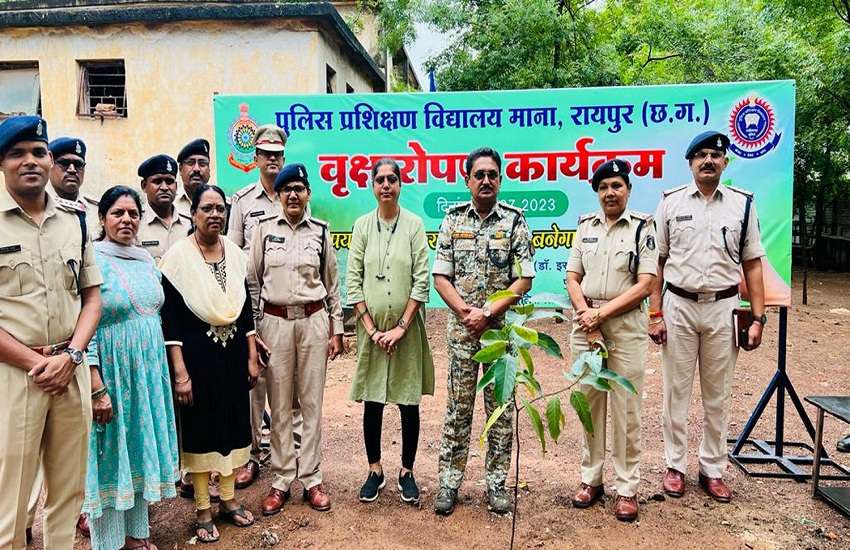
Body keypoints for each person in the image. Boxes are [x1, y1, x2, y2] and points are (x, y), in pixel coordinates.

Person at [0, 115, 103, 549]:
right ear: (2, 163)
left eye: (39, 152)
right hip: (16, 376)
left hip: (70, 371)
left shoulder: (75, 221)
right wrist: (39, 363)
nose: (30, 161)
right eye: (17, 153)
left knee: (67, 493)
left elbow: (91, 297)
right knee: (11, 500)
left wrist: (73, 357)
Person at [649, 130, 766, 503]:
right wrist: (655, 313)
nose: (708, 161)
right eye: (700, 155)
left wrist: (758, 317)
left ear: (725, 162)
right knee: (675, 393)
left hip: (723, 306)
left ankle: (713, 469)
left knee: (718, 394)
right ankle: (675, 466)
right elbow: (657, 263)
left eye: (715, 155)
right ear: (690, 163)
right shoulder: (670, 203)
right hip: (678, 306)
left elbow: (752, 264)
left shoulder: (742, 205)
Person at [432, 147, 535, 516]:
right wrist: (465, 312)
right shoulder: (452, 220)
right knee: (458, 410)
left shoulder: (514, 222)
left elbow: (524, 277)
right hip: (462, 336)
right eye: (479, 175)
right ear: (467, 180)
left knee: (501, 412)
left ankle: (496, 485)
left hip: (500, 338)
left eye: (492, 174)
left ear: (501, 180)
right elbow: (440, 276)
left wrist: (488, 311)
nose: (486, 180)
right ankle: (448, 483)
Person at [160, 184, 261, 543]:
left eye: (221, 208)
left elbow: (245, 310)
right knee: (202, 431)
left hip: (232, 355)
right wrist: (181, 372)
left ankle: (229, 501)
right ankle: (203, 509)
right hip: (197, 359)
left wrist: (251, 355)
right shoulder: (176, 259)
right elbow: (170, 322)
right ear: (193, 213)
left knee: (232, 426)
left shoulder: (235, 254)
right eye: (208, 208)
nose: (215, 214)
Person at [82, 186, 180, 550]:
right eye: (118, 213)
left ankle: (138, 536)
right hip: (111, 373)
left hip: (147, 376)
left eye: (133, 214)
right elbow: (84, 325)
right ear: (103, 219)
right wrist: (95, 382)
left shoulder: (145, 260)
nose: (126, 220)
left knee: (138, 448)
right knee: (109, 455)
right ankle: (107, 542)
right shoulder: (92, 258)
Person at [564, 159, 657, 522]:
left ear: (628, 189)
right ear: (597, 192)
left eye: (617, 185)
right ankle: (592, 479)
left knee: (626, 408)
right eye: (603, 187)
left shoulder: (642, 228)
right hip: (586, 325)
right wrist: (588, 317)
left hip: (624, 328)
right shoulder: (585, 226)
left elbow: (645, 283)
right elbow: (573, 278)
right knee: (589, 404)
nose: (610, 193)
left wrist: (600, 316)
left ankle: (627, 487)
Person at [250, 163, 344, 515]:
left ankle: (312, 478)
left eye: (299, 188)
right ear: (278, 194)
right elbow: (253, 282)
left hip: (313, 322)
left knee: (311, 403)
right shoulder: (263, 230)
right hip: (274, 325)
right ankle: (281, 480)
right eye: (286, 188)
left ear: (308, 195)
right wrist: (256, 329)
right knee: (280, 403)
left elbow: (332, 284)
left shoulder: (320, 231)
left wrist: (337, 328)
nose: (292, 194)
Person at [346, 158, 434, 505]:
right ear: (372, 186)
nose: (386, 185)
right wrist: (370, 328)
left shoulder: (413, 225)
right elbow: (353, 281)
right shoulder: (362, 226)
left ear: (400, 185)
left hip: (406, 332)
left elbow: (421, 280)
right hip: (371, 331)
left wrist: (399, 328)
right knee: (373, 400)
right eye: (380, 180)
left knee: (408, 401)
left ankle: (407, 472)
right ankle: (375, 469)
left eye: (392, 180)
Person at [227, 125, 303, 489]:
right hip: (251, 307)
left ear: (283, 158)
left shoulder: (295, 195)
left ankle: (294, 456)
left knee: (292, 389)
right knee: (254, 385)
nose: (271, 159)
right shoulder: (242, 202)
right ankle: (252, 457)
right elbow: (231, 256)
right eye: (265, 153)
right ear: (255, 158)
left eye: (277, 154)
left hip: (285, 306)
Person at [136, 154, 192, 263]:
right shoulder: (135, 222)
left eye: (169, 181)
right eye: (157, 181)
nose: (164, 188)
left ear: (176, 186)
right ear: (143, 185)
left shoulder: (189, 223)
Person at [47, 136, 100, 235]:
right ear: (50, 165)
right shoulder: (38, 205)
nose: (72, 170)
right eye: (64, 163)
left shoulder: (96, 210)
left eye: (78, 164)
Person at [175, 138, 213, 216]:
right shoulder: (170, 204)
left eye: (202, 164)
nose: (196, 169)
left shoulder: (224, 205)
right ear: (180, 169)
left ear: (209, 169)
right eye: (190, 163)